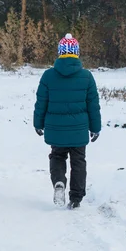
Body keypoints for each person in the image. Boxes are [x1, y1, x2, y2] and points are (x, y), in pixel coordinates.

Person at [33, 34, 101, 209]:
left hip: (56, 128)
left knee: (57, 155)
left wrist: (38, 123)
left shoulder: (48, 76)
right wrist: (95, 128)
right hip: (79, 129)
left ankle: (59, 182)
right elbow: (93, 105)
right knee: (78, 161)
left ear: (60, 53)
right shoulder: (86, 76)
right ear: (76, 53)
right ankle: (76, 198)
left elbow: (41, 103)